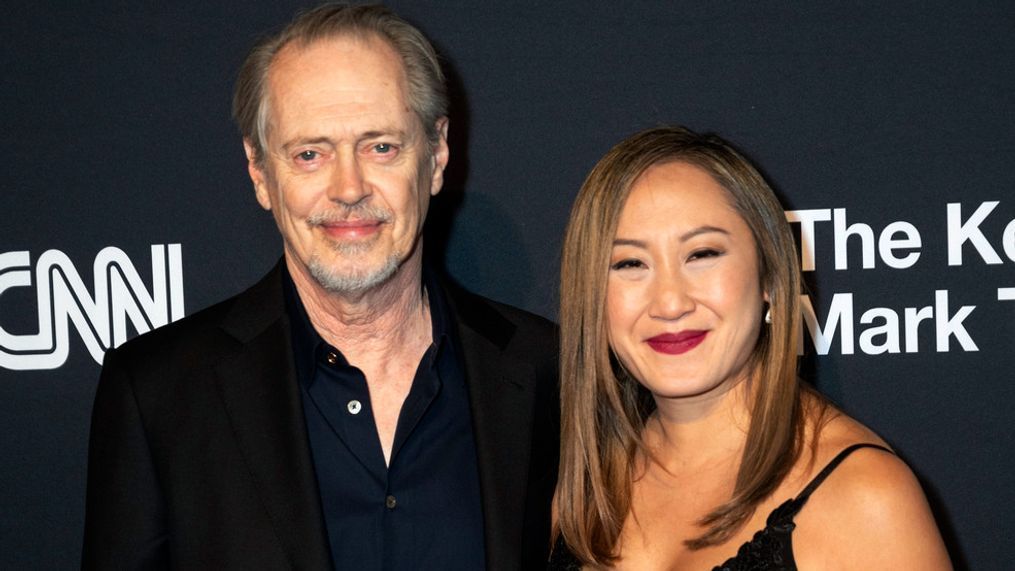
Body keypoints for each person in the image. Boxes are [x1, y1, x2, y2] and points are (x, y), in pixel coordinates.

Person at [82, 4, 558, 570]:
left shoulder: (548, 372)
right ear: (260, 172)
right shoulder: (160, 394)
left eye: (380, 146)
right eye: (310, 154)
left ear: (436, 155)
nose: (348, 187)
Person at [549, 126, 951, 569]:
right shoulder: (585, 493)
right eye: (629, 263)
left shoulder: (864, 497)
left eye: (702, 254)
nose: (670, 302)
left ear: (770, 277)